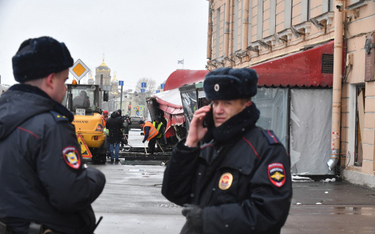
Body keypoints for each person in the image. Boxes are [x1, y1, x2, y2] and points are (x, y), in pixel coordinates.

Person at [162, 67, 292, 234]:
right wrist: (190, 143)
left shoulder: (266, 148)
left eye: (227, 103)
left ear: (246, 104)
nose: (218, 110)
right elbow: (175, 192)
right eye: (215, 103)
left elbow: (269, 212)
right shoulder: (209, 145)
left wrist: (207, 219)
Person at [0, 36, 106, 234]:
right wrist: (95, 176)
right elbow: (70, 195)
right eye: (64, 80)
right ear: (51, 80)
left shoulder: (6, 115)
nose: (66, 88)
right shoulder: (51, 125)